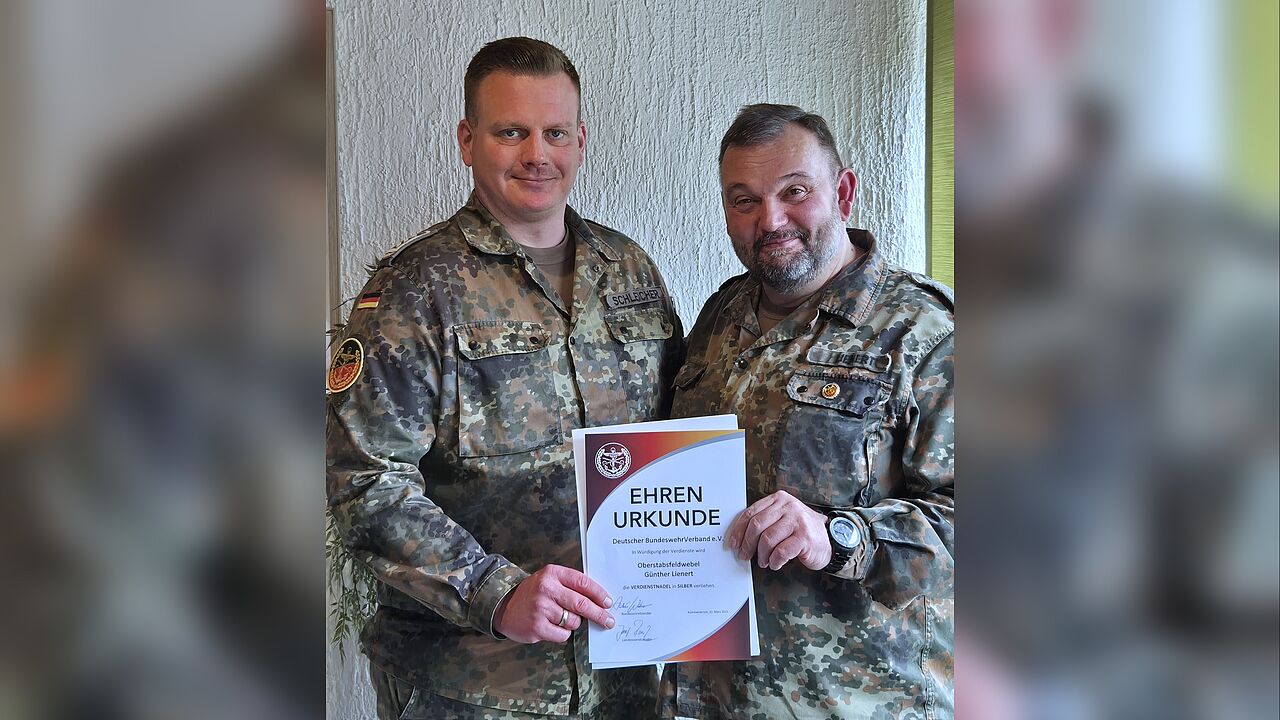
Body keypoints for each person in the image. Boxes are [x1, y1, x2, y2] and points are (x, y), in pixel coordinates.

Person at [326, 37, 682, 720]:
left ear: (580, 140)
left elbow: (678, 440)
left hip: (622, 673)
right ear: (468, 141)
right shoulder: (414, 290)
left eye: (555, 133)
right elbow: (363, 479)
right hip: (472, 685)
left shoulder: (630, 272)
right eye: (511, 132)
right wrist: (493, 590)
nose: (537, 155)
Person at [661, 104, 954, 719]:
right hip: (715, 698)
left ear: (843, 192)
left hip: (860, 701)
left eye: (794, 191)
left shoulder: (924, 332)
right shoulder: (720, 318)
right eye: (744, 200)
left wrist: (840, 537)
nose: (770, 220)